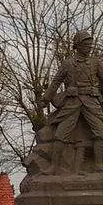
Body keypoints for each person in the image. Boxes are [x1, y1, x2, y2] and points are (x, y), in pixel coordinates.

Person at [42, 29, 103, 173]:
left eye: (90, 44)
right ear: (78, 45)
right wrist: (46, 99)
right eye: (86, 44)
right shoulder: (68, 63)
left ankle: (99, 165)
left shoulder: (96, 63)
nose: (89, 47)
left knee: (100, 131)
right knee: (61, 133)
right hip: (73, 102)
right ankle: (54, 166)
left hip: (91, 101)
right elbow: (56, 82)